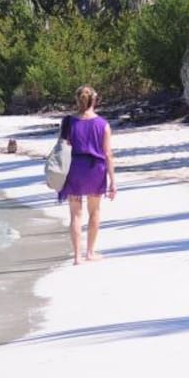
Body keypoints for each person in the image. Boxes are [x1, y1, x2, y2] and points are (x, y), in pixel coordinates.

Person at [58, 85, 116, 265]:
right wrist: (113, 181)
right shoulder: (103, 124)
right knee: (94, 211)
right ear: (95, 100)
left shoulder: (68, 122)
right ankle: (90, 252)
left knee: (75, 214)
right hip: (95, 170)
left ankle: (77, 257)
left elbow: (62, 148)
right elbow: (108, 154)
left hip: (74, 168)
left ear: (77, 100)